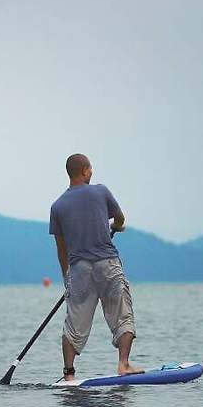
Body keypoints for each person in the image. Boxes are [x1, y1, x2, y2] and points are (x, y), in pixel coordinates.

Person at [49, 153, 143, 383]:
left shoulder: (57, 206)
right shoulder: (101, 192)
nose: (92, 172)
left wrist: (67, 278)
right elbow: (120, 219)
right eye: (90, 169)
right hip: (107, 263)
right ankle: (123, 364)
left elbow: (61, 249)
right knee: (122, 314)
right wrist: (116, 226)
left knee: (74, 323)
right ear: (84, 171)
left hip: (78, 269)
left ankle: (69, 374)